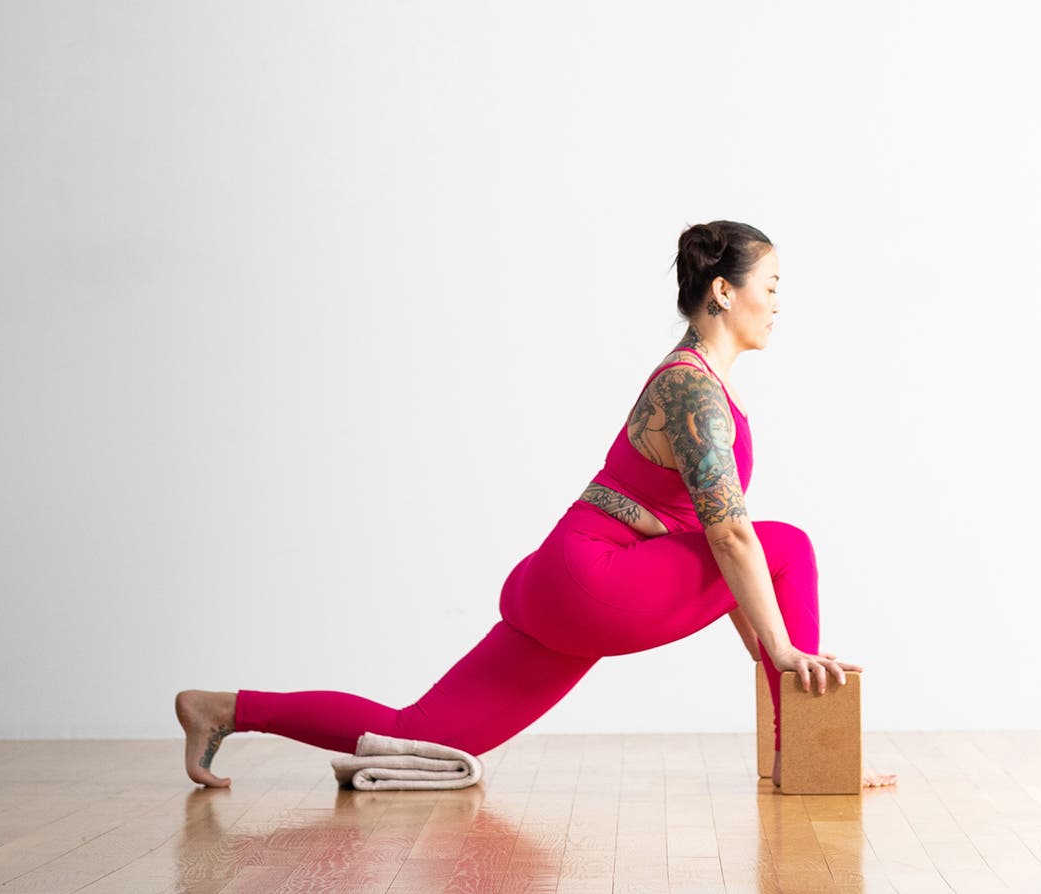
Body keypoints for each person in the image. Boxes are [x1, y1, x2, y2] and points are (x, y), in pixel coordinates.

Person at [175, 220, 897, 790]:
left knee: (425, 731)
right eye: (769, 285)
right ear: (720, 291)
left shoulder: (699, 383)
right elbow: (736, 542)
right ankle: (811, 760)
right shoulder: (694, 391)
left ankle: (225, 708)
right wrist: (782, 656)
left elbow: (724, 555)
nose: (778, 302)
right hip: (593, 578)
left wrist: (779, 673)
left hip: (564, 578)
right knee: (788, 545)